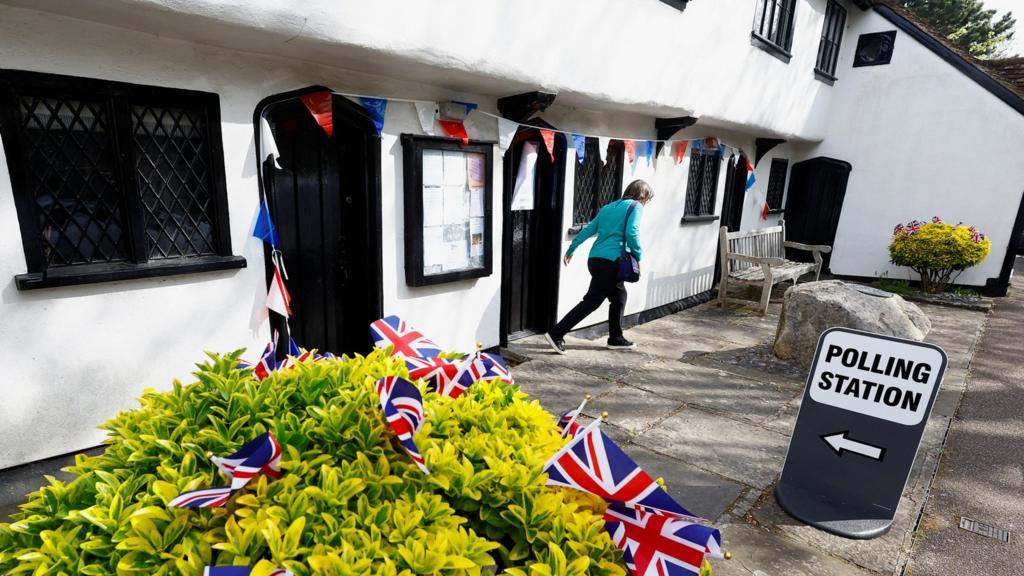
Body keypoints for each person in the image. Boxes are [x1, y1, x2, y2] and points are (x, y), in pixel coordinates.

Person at [544, 179, 654, 354]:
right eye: (647, 199)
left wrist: (572, 248)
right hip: (612, 263)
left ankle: (616, 338)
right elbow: (631, 231)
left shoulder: (608, 208)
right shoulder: (636, 206)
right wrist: (638, 255)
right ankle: (556, 333)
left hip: (596, 260)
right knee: (592, 301)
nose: (646, 203)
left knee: (619, 297)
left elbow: (588, 230)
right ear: (643, 195)